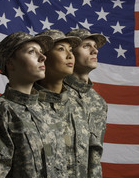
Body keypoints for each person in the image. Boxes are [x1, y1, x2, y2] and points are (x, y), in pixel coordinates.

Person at [0, 31, 67, 178]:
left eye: (42, 52)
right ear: (10, 63)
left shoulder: (49, 110)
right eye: (32, 52)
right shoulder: (0, 111)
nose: (43, 57)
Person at [35, 29, 93, 178]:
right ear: (43, 57)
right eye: (61, 49)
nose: (70, 55)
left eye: (71, 50)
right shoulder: (26, 107)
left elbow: (90, 160)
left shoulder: (79, 107)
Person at [64, 28, 108, 178]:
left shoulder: (99, 102)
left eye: (95, 47)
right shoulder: (53, 92)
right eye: (86, 46)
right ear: (70, 53)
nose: (94, 51)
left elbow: (95, 156)